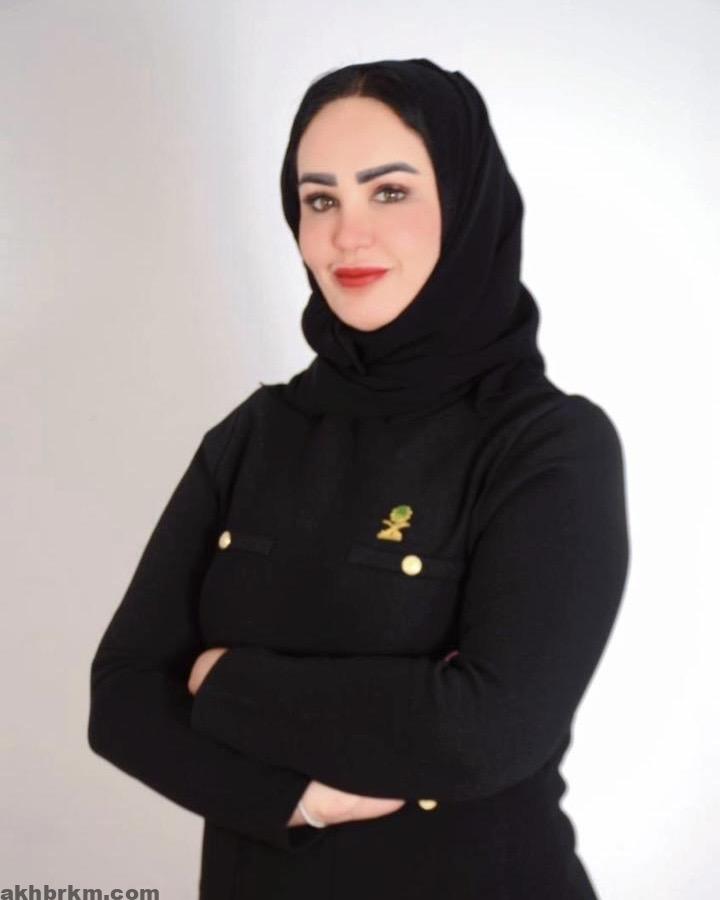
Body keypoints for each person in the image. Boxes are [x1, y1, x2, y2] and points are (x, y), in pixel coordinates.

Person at [87, 57, 630, 899]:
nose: (347, 235)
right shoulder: (255, 432)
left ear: (465, 202)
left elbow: (482, 734)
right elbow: (121, 699)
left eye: (390, 191)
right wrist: (295, 801)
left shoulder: (548, 445)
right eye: (320, 200)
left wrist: (221, 681)